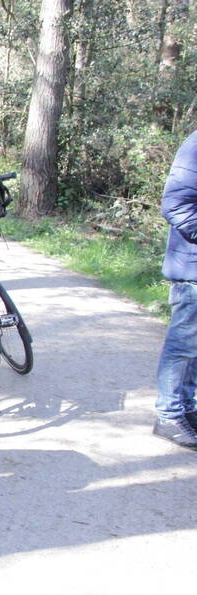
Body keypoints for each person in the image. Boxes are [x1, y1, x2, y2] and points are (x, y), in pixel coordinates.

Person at [154, 129, 197, 449]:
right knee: (184, 345)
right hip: (192, 269)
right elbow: (175, 204)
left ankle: (186, 408)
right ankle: (169, 415)